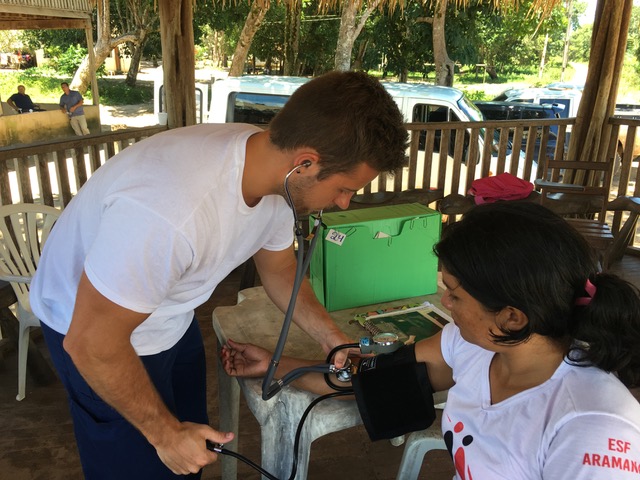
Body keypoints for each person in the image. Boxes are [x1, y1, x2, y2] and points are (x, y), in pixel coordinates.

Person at [30, 71, 408, 479]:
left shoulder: (273, 174)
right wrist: (164, 434)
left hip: (170, 316)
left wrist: (335, 342)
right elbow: (91, 342)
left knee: (192, 450)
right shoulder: (169, 211)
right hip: (93, 332)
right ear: (305, 163)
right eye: (344, 188)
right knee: (145, 458)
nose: (344, 203)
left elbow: (280, 271)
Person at [222, 202, 640, 479]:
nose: (444, 301)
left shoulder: (590, 428)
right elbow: (375, 379)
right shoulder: (473, 345)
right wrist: (280, 366)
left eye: (455, 294)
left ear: (512, 317)